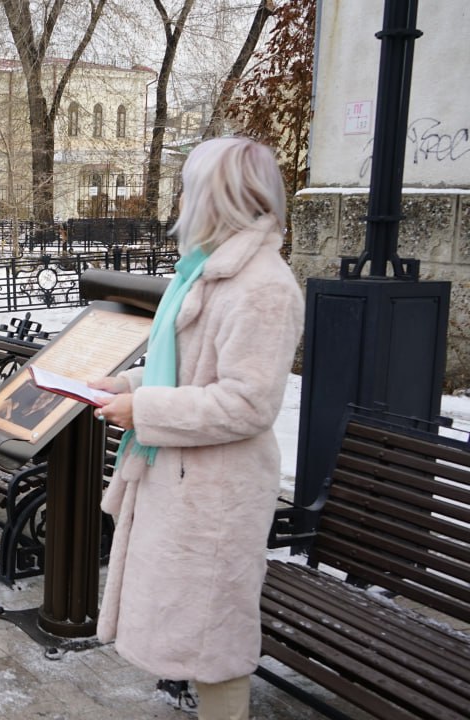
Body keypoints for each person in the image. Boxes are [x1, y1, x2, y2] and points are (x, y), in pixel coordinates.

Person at [90, 137, 304, 720]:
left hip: (216, 494)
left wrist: (146, 411)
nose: (181, 201)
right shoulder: (207, 272)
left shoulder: (262, 287)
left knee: (217, 640)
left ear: (221, 196)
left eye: (189, 188)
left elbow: (248, 403)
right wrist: (128, 386)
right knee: (196, 628)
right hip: (185, 480)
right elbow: (186, 371)